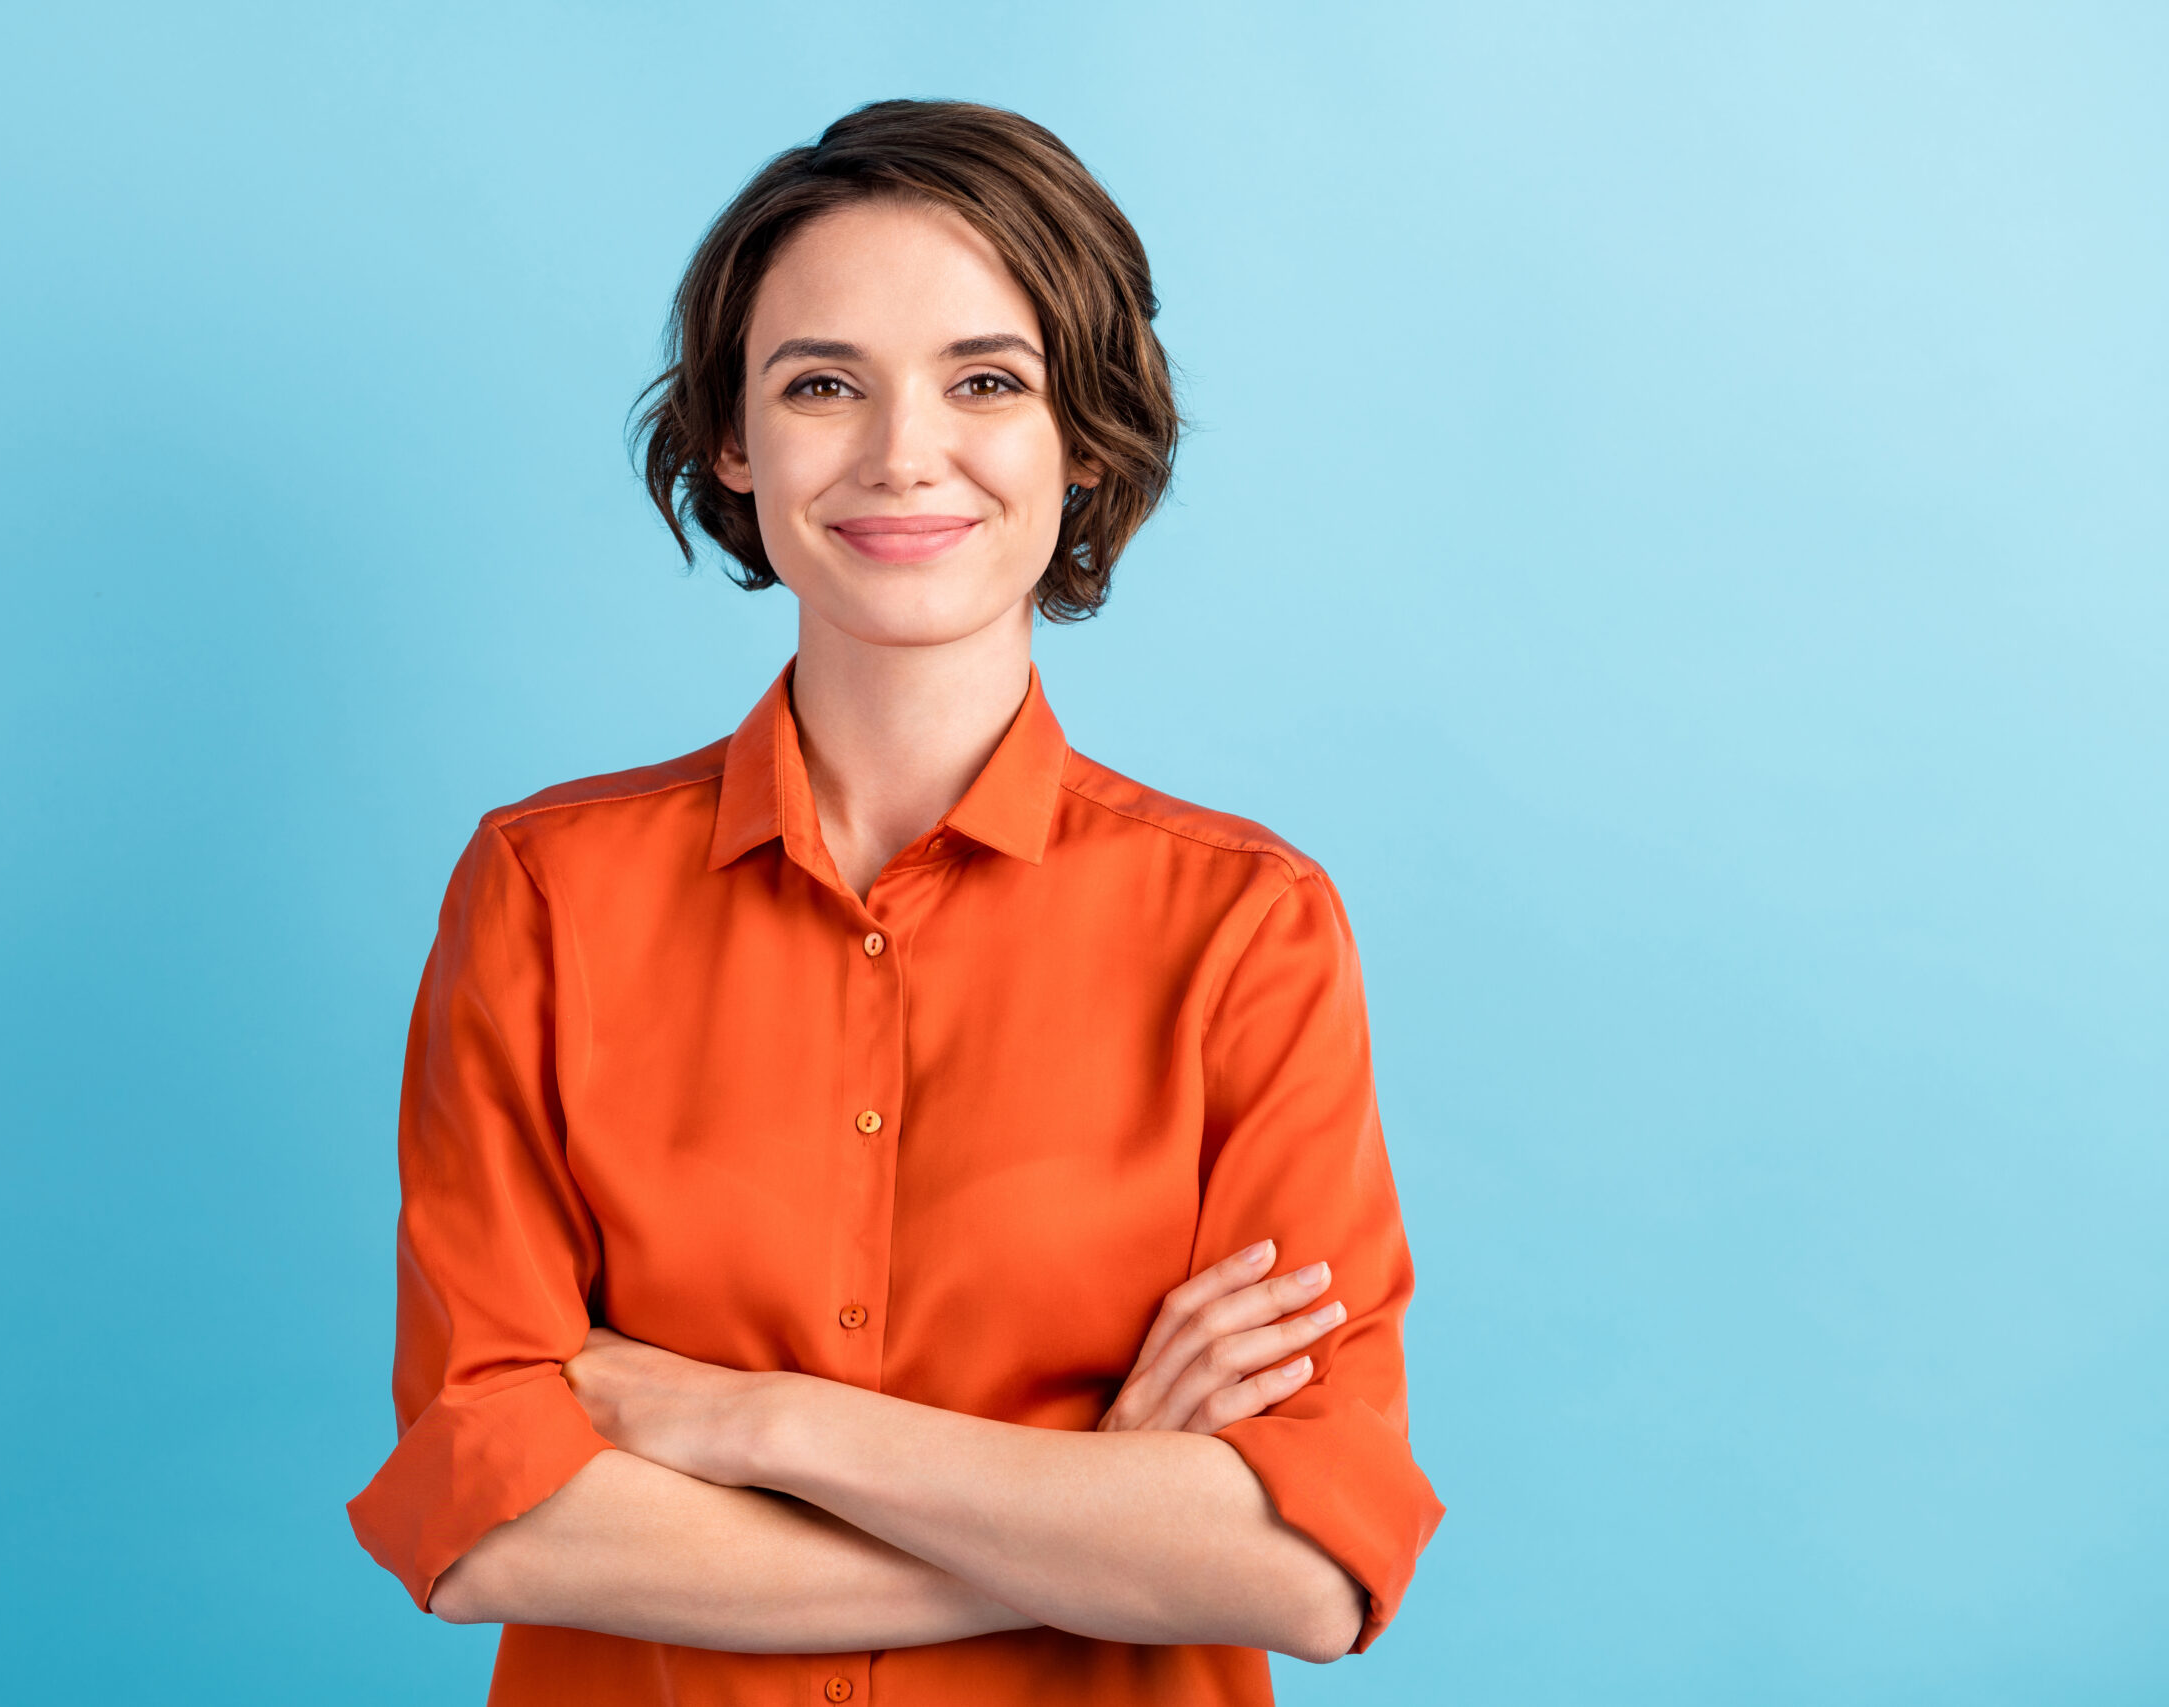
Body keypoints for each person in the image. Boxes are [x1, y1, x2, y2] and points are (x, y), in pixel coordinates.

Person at [346, 99, 1442, 1705]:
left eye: (986, 381)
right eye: (820, 385)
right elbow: (487, 1521)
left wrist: (758, 1424)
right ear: (733, 440)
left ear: (1085, 436)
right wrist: (1095, 1516)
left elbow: (1313, 1564)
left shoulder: (1246, 928)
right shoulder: (543, 892)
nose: (899, 453)